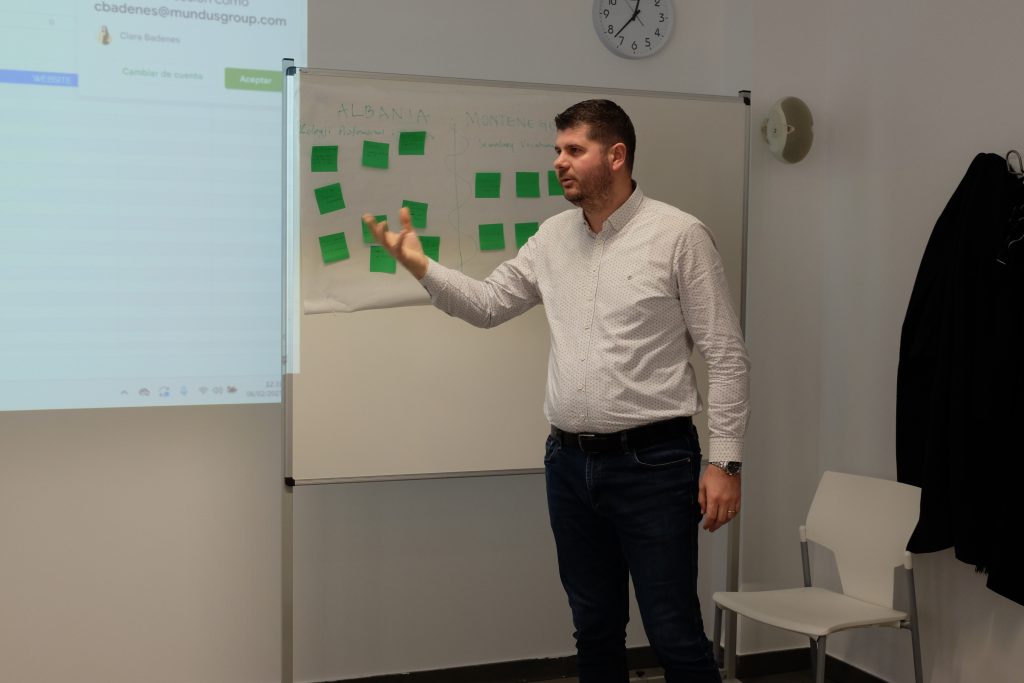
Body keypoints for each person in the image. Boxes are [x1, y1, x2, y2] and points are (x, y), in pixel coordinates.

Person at [364, 99, 749, 683]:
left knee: (673, 631)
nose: (558, 162)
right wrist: (423, 267)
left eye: (574, 150)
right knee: (593, 628)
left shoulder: (679, 236)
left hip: (654, 464)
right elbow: (489, 304)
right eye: (557, 150)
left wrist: (725, 461)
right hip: (568, 465)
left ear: (615, 156)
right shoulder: (551, 237)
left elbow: (725, 355)